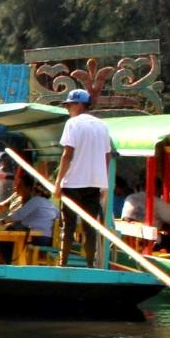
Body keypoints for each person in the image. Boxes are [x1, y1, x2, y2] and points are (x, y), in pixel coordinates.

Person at [53, 88, 114, 267]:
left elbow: (67, 154)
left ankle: (62, 263)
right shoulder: (103, 125)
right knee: (89, 226)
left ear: (80, 105)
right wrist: (104, 183)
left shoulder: (73, 123)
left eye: (70, 105)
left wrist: (58, 182)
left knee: (69, 225)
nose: (68, 109)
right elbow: (107, 156)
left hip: (73, 182)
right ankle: (89, 264)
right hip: (94, 183)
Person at [118, 175, 170, 254]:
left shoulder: (130, 198)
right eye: (160, 190)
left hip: (128, 243)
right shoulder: (156, 202)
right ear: (157, 189)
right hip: (149, 243)